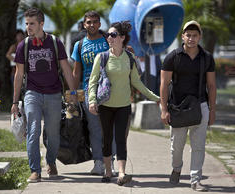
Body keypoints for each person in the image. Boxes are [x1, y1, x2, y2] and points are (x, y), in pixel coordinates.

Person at [88, 21, 160, 185]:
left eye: (113, 35)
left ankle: (121, 173)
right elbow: (93, 82)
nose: (109, 38)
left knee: (121, 139)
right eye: (108, 35)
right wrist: (92, 101)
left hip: (123, 107)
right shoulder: (102, 57)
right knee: (106, 139)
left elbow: (137, 83)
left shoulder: (130, 58)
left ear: (122, 38)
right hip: (105, 106)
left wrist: (156, 98)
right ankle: (107, 172)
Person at [11, 7, 76, 183]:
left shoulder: (55, 43)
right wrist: (15, 102)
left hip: (54, 94)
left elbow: (66, 69)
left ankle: (51, 161)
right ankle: (35, 170)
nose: (28, 27)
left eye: (32, 24)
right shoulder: (23, 46)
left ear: (41, 23)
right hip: (32, 93)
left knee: (53, 133)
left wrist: (73, 94)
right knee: (33, 130)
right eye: (26, 24)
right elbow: (18, 75)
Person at [160, 20, 216, 191]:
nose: (191, 38)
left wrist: (212, 110)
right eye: (188, 35)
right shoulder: (172, 57)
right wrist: (164, 109)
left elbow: (212, 85)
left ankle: (195, 179)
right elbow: (164, 84)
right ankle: (177, 168)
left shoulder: (206, 58)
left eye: (195, 35)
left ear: (199, 37)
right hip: (177, 108)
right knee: (176, 147)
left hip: (200, 106)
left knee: (198, 146)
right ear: (183, 36)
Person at [71, 11, 112, 175]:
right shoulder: (79, 45)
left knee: (110, 128)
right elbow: (76, 73)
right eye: (89, 22)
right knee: (94, 128)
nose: (92, 25)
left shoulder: (108, 40)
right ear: (84, 24)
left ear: (100, 24)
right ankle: (98, 162)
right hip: (89, 91)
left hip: (110, 89)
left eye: (95, 22)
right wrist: (73, 95)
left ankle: (112, 162)